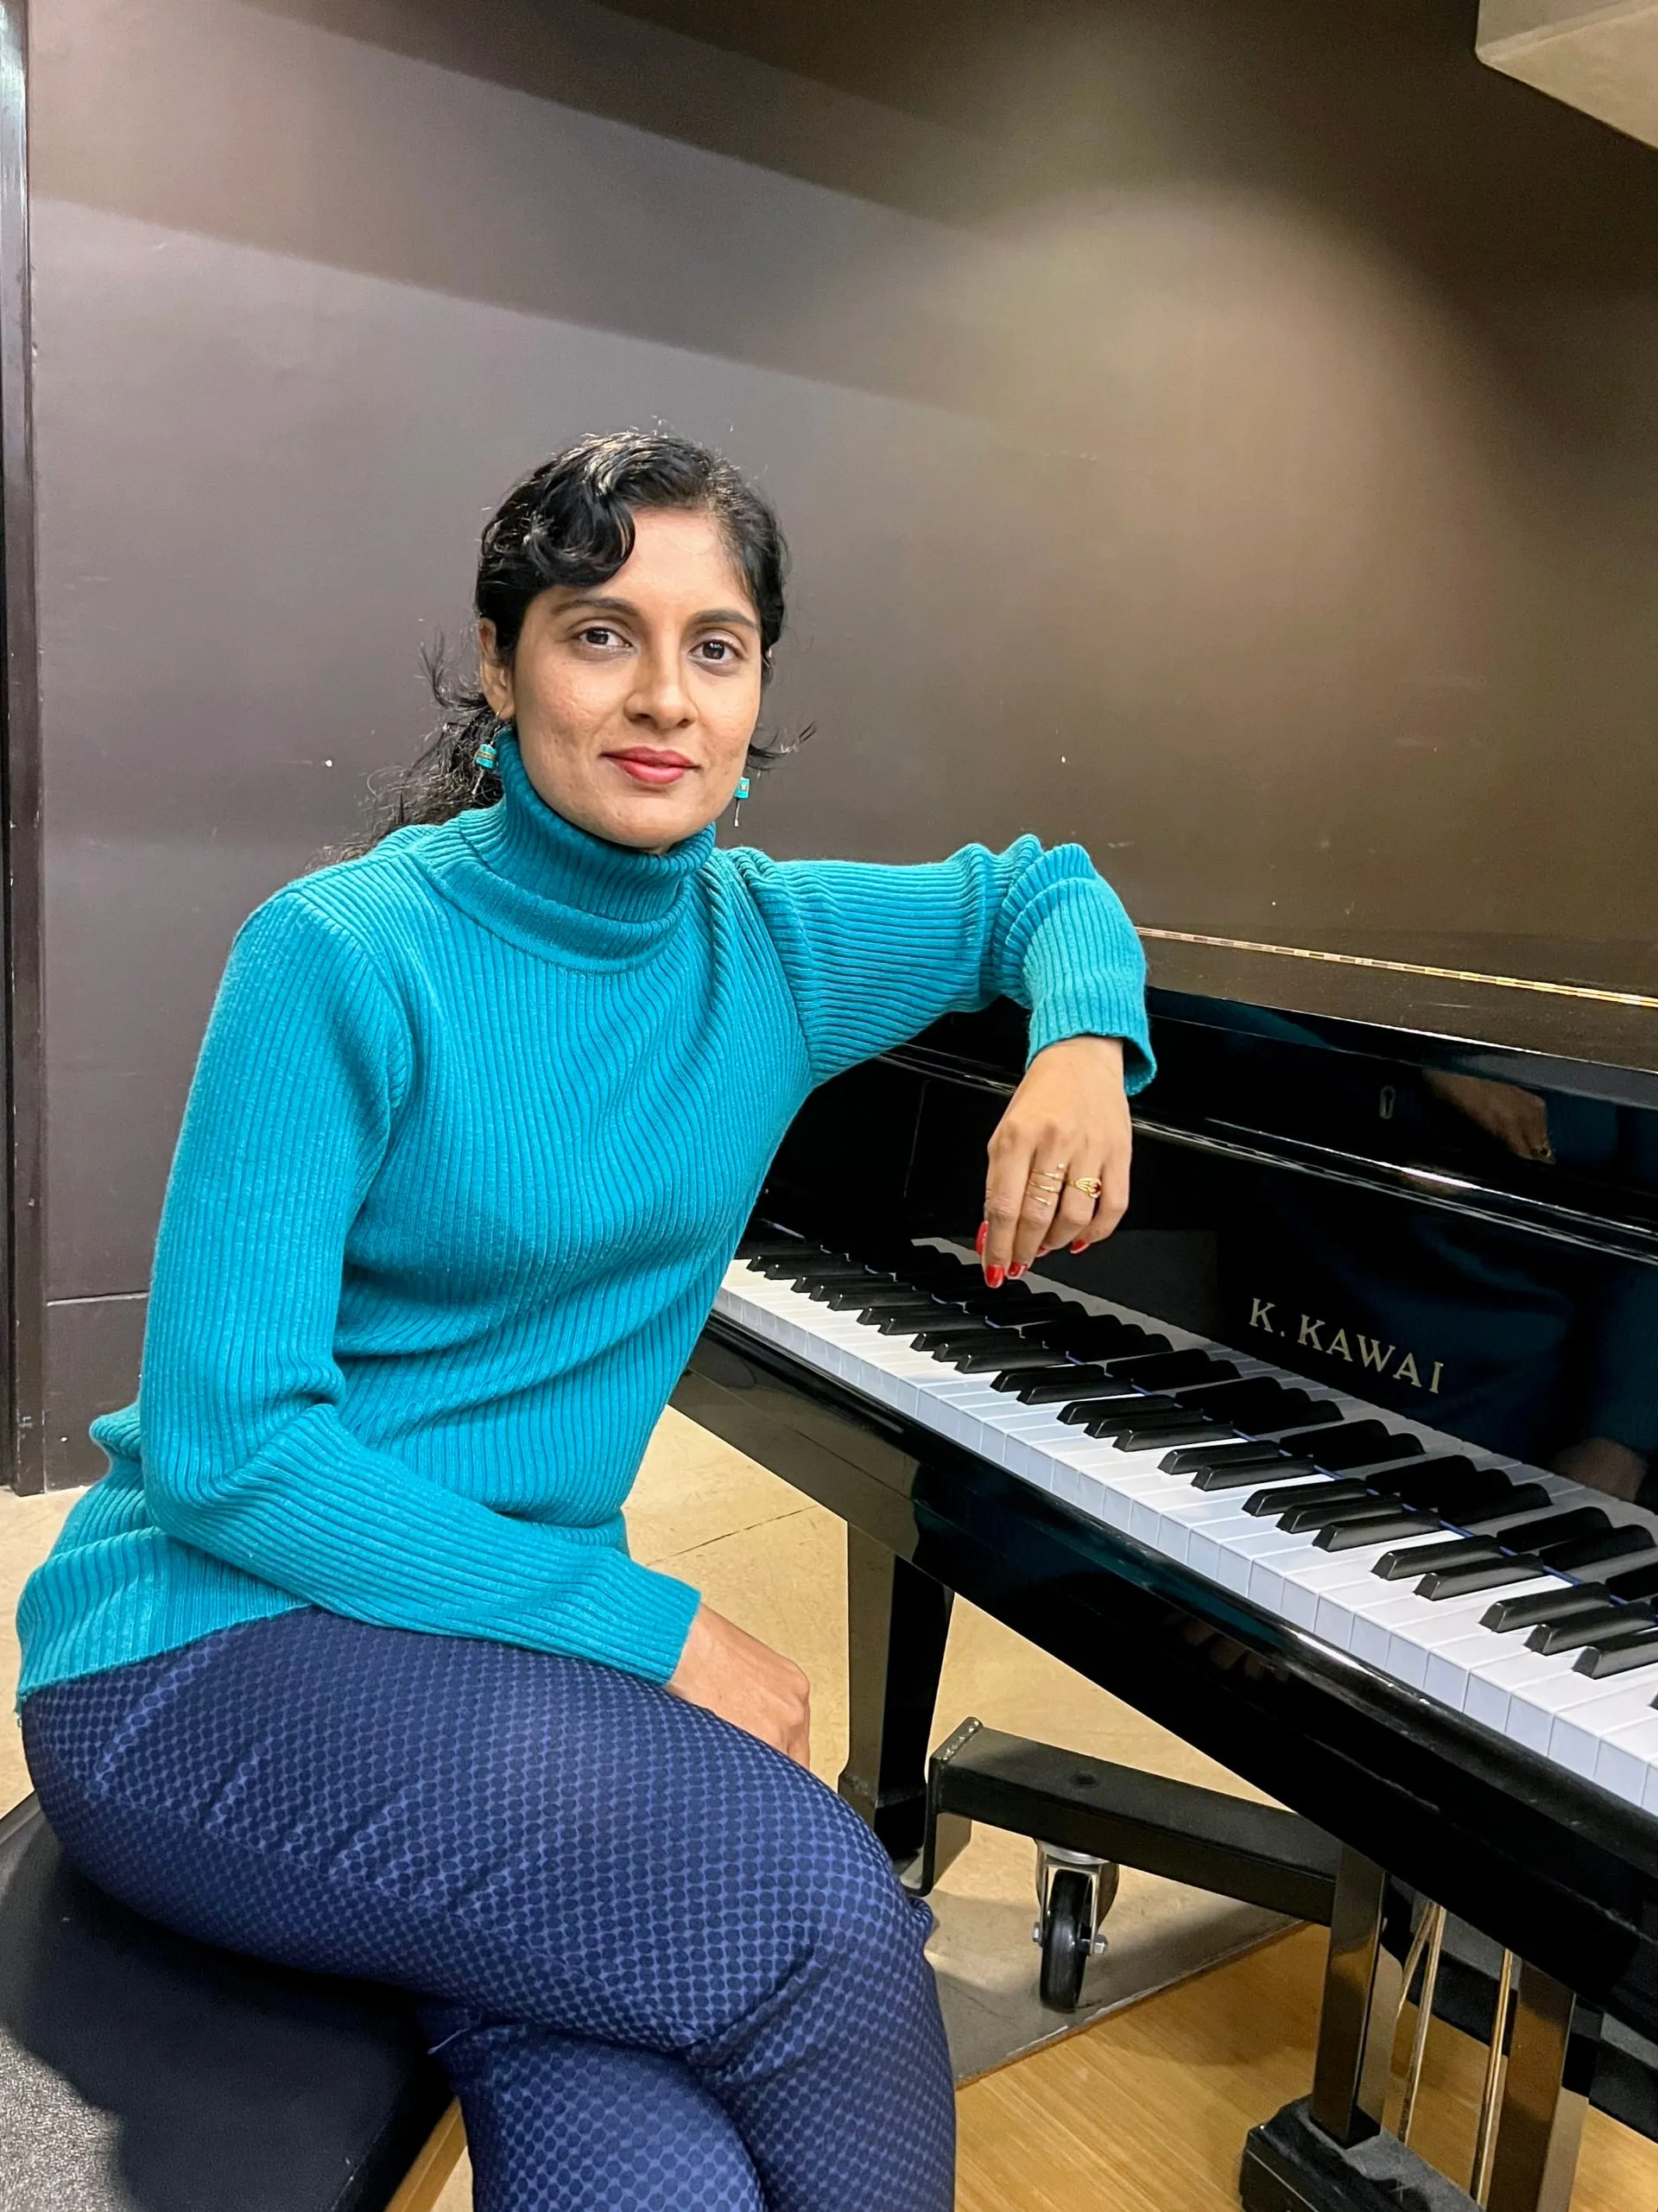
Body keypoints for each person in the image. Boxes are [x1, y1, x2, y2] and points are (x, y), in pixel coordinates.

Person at [16, 431, 1154, 2212]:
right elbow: (234, 1451)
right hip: (205, 1651)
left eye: (716, 645)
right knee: (823, 1925)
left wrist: (1087, 1041)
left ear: (761, 682)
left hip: (490, 1668)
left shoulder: (768, 946)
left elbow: (1039, 886)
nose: (663, 696)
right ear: (500, 659)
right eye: (597, 630)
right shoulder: (339, 950)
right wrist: (637, 1619)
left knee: (657, 2162)